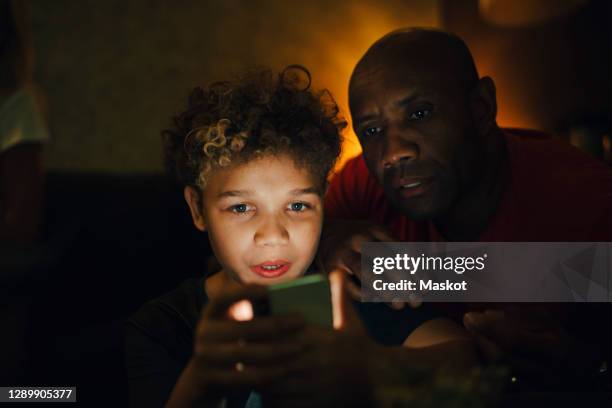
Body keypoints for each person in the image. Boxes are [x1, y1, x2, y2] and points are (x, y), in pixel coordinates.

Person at [125, 66, 478, 408]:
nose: (273, 236)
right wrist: (203, 380)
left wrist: (372, 367)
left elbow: (463, 355)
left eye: (296, 205)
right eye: (241, 208)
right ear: (198, 209)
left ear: (324, 201)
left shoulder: (348, 290)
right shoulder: (164, 325)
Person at [322, 28, 612, 389]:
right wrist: (327, 237)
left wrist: (583, 365)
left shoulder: (589, 204)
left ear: (481, 109)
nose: (394, 151)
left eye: (419, 113)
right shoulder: (362, 186)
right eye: (372, 130)